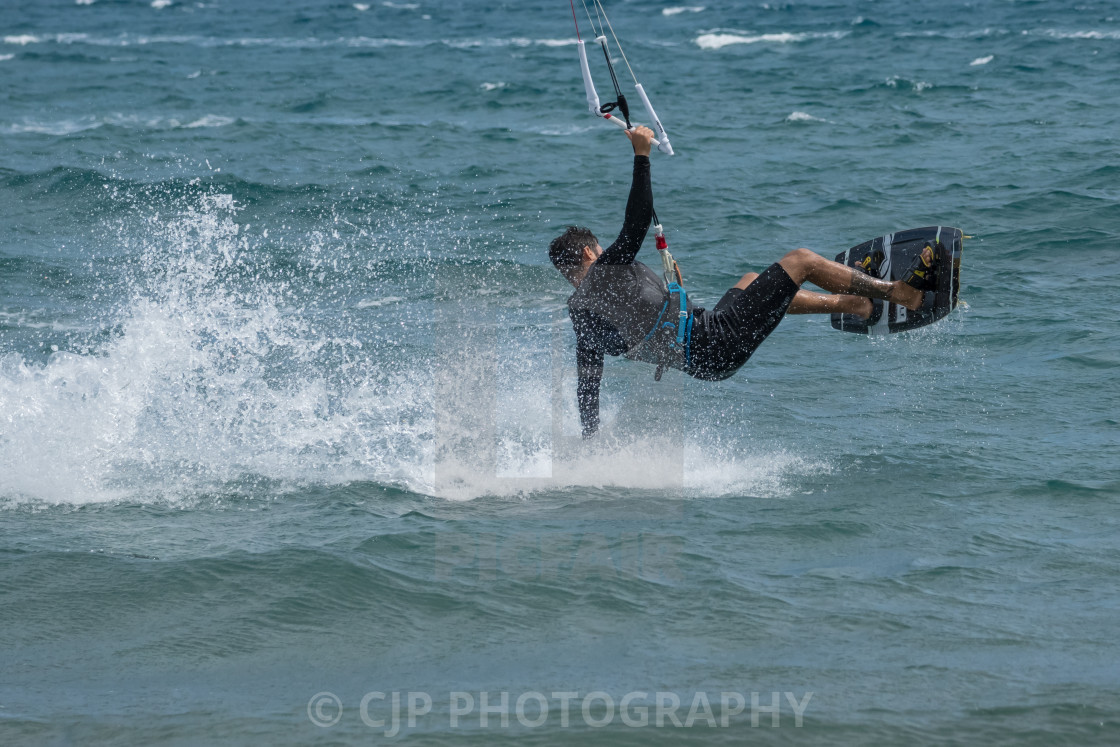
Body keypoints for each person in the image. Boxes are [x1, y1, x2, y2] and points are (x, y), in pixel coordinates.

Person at [548, 126, 940, 437]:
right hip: (713, 339)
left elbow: (588, 385)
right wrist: (641, 155)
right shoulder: (602, 271)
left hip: (704, 363)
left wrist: (591, 441)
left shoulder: (581, 316)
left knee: (752, 281)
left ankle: (854, 304)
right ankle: (899, 294)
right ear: (588, 253)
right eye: (598, 249)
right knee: (800, 261)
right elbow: (635, 228)